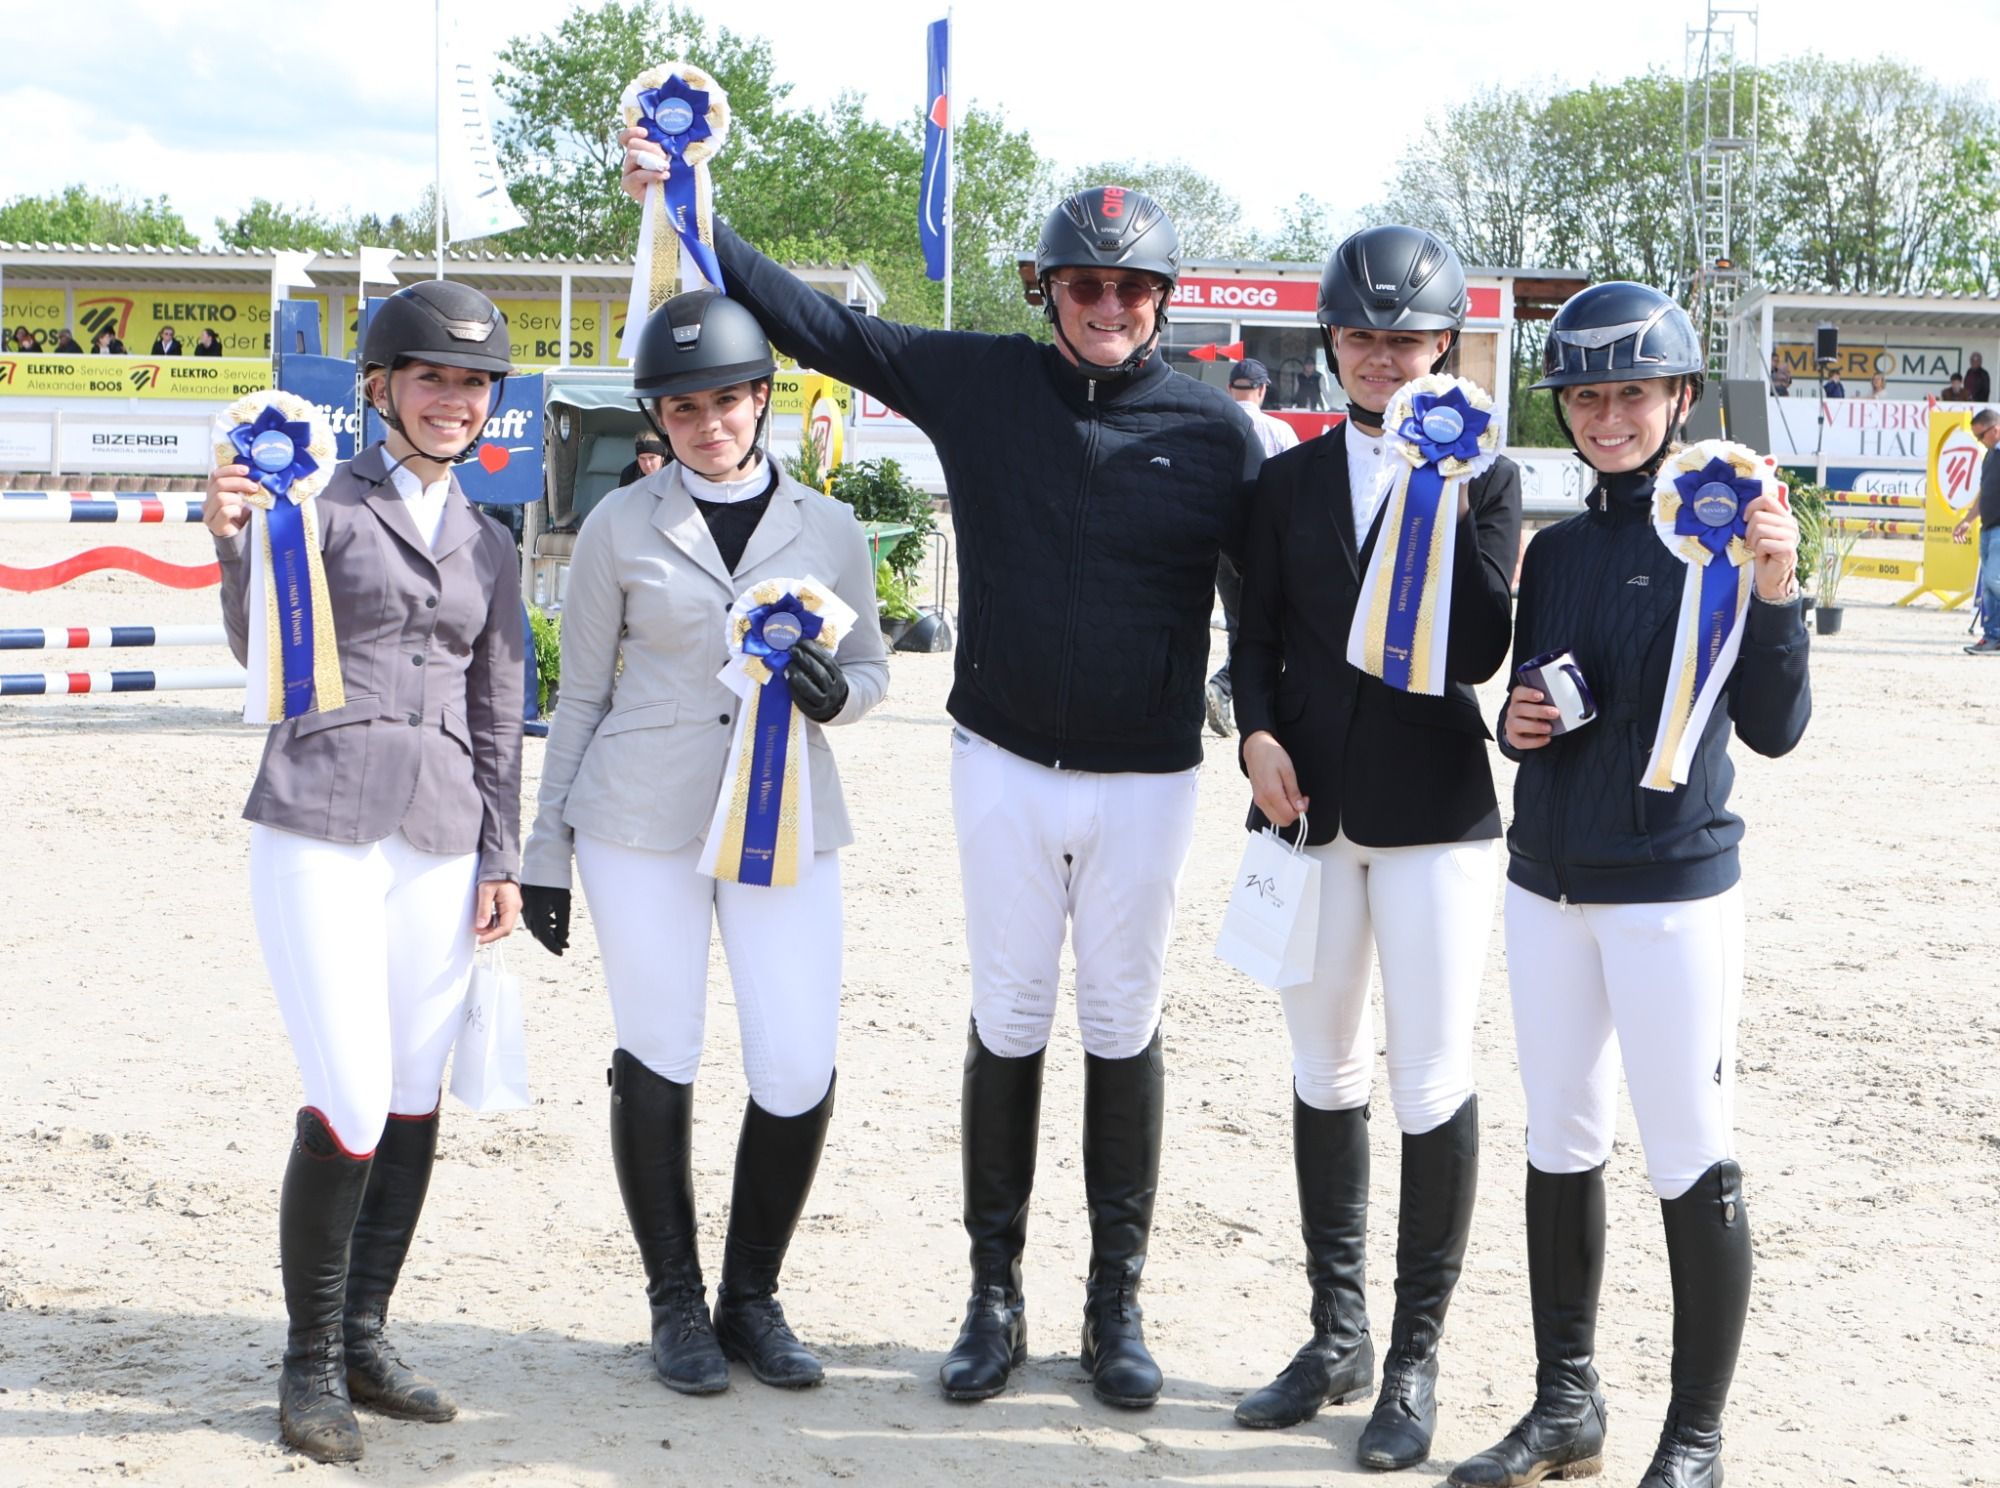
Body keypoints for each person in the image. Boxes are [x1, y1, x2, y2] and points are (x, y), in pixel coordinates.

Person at [623, 137, 1263, 1410]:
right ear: (1044, 291)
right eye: (1082, 285)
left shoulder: (1215, 431)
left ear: (1162, 301)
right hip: (1001, 760)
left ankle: (1114, 1306)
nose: (1107, 306)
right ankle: (993, 1299)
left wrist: (1263, 721)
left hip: (1146, 776)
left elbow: (1263, 599)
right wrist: (691, 209)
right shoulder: (978, 382)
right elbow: (820, 326)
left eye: (1131, 289)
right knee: (1010, 1018)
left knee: (1122, 1024)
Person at [1450, 281, 1808, 1488]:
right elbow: (1540, 703)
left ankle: (1693, 1438)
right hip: (1543, 883)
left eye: (1633, 394)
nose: (1607, 418)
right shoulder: (1552, 553)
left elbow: (1774, 728)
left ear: (1680, 399)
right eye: (1586, 397)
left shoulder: (1729, 535)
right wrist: (1519, 724)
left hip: (1669, 894)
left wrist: (1776, 591)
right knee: (1558, 1139)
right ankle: (1565, 1405)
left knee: (1686, 1152)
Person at [517, 289, 888, 1396]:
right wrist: (544, 851)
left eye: (726, 400)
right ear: (657, 418)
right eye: (683, 408)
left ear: (761, 398)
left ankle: (752, 1296)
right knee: (659, 1047)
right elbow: (579, 697)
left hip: (786, 814)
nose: (708, 423)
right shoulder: (618, 527)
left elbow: (871, 666)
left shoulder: (830, 527)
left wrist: (839, 697)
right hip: (638, 819)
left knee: (797, 1060)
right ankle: (674, 1299)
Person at [202, 280, 525, 1464]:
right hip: (321, 820)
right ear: (380, 387)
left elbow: (498, 710)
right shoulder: (315, 503)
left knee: (411, 1095)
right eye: (433, 378)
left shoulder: (490, 541)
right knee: (346, 1089)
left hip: (441, 833)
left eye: (474, 384)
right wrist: (233, 540)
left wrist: (502, 855)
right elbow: (260, 649)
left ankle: (365, 1337)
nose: (454, 400)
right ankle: (307, 1362)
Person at [1228, 226, 1522, 1472]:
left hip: (1432, 816)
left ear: (1443, 346)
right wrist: (1250, 734)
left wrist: (1439, 500)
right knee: (1322, 1068)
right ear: (1329, 343)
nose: (1381, 359)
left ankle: (1412, 1358)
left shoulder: (1483, 476)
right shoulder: (1285, 480)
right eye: (1358, 338)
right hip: (1305, 807)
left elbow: (1479, 651)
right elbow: (1251, 632)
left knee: (1428, 1077)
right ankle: (1334, 1332)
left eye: (1405, 341)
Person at [1205, 359, 1299, 738]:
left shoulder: (1214, 428)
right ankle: (1237, 695)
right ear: (1262, 390)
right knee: (1272, 630)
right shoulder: (1280, 430)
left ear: (1231, 389)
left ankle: (1230, 694)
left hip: (1223, 545)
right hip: (1268, 546)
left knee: (1237, 624)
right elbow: (1297, 491)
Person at [1951, 407, 2000, 655]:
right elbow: (1984, 494)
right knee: (1989, 586)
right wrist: (1968, 520)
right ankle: (1993, 637)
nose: (1979, 441)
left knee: (1993, 580)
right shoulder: (1989, 456)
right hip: (1988, 527)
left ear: (1996, 429)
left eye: (1981, 436)